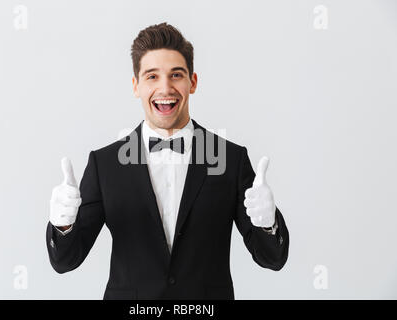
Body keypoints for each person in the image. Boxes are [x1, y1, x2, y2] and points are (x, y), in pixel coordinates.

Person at [46, 22, 289, 300]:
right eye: (152, 76)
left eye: (176, 75)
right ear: (136, 85)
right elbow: (66, 261)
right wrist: (62, 225)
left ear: (192, 82)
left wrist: (268, 224)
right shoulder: (105, 165)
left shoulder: (231, 160)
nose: (165, 88)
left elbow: (273, 259)